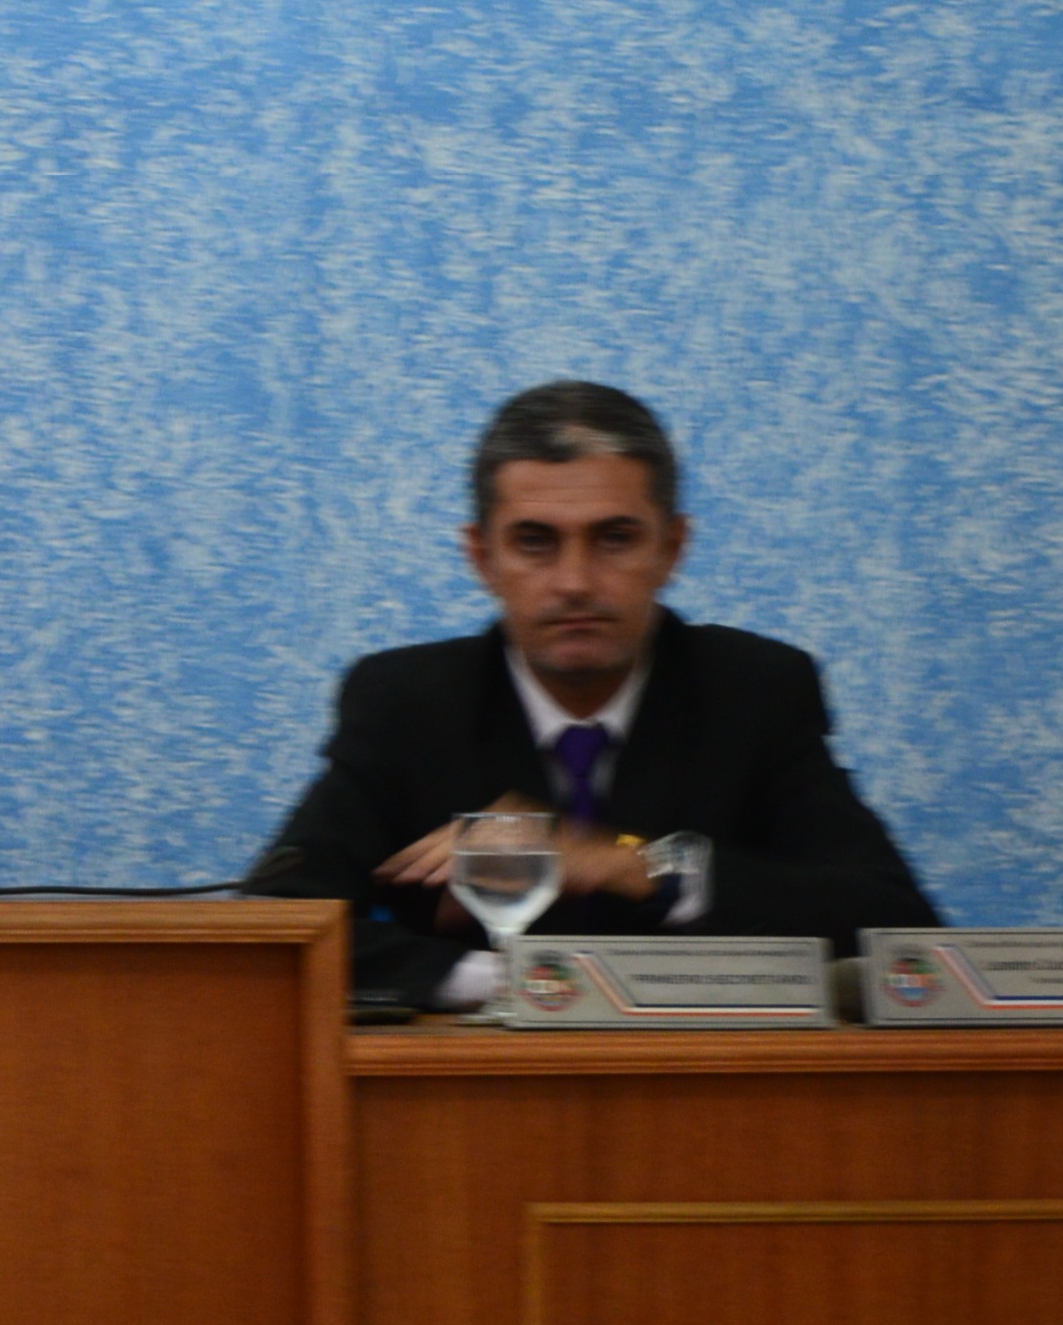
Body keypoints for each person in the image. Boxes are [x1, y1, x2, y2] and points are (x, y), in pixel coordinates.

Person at [254, 380, 936, 1006]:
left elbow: (896, 929)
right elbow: (277, 927)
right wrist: (521, 982)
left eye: (614, 539)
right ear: (482, 557)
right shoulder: (407, 704)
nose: (575, 582)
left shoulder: (752, 691)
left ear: (672, 549)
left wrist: (631, 863)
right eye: (535, 543)